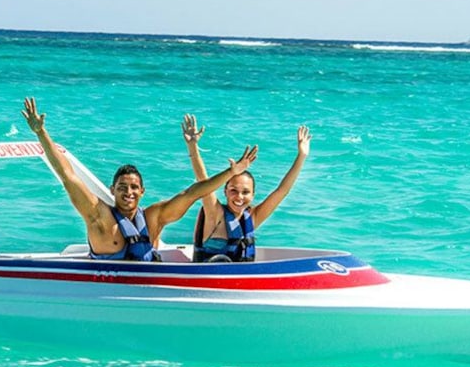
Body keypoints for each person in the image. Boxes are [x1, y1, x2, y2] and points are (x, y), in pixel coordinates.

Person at [21, 98, 257, 261]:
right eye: (122, 187)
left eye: (134, 187)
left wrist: (231, 174)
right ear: (113, 190)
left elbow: (193, 193)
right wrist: (41, 133)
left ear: (143, 191)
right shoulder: (98, 216)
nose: (129, 192)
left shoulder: (153, 218)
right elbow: (68, 175)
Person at [181, 114, 311, 262]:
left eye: (246, 192)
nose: (239, 197)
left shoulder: (252, 217)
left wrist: (302, 156)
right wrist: (192, 146)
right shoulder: (214, 213)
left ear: (253, 195)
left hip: (236, 281)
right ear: (225, 192)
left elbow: (282, 191)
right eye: (233, 191)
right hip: (205, 279)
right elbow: (202, 181)